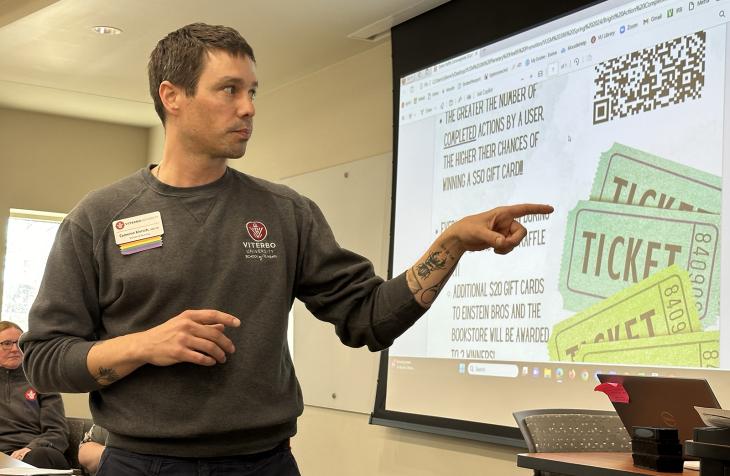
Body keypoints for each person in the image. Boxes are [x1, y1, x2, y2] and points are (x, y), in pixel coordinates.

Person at [19, 23, 553, 475]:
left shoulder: (285, 212)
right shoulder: (98, 217)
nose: (248, 107)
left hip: (265, 462)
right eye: (229, 90)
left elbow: (369, 318)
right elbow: (43, 360)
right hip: (142, 463)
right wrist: (144, 345)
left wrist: (450, 245)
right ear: (172, 96)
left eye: (253, 91)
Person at [0, 321, 70, 469]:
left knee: (42, 456)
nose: (14, 349)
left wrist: (31, 448)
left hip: (32, 454)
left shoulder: (42, 381)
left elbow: (57, 432)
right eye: (7, 343)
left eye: (19, 343)